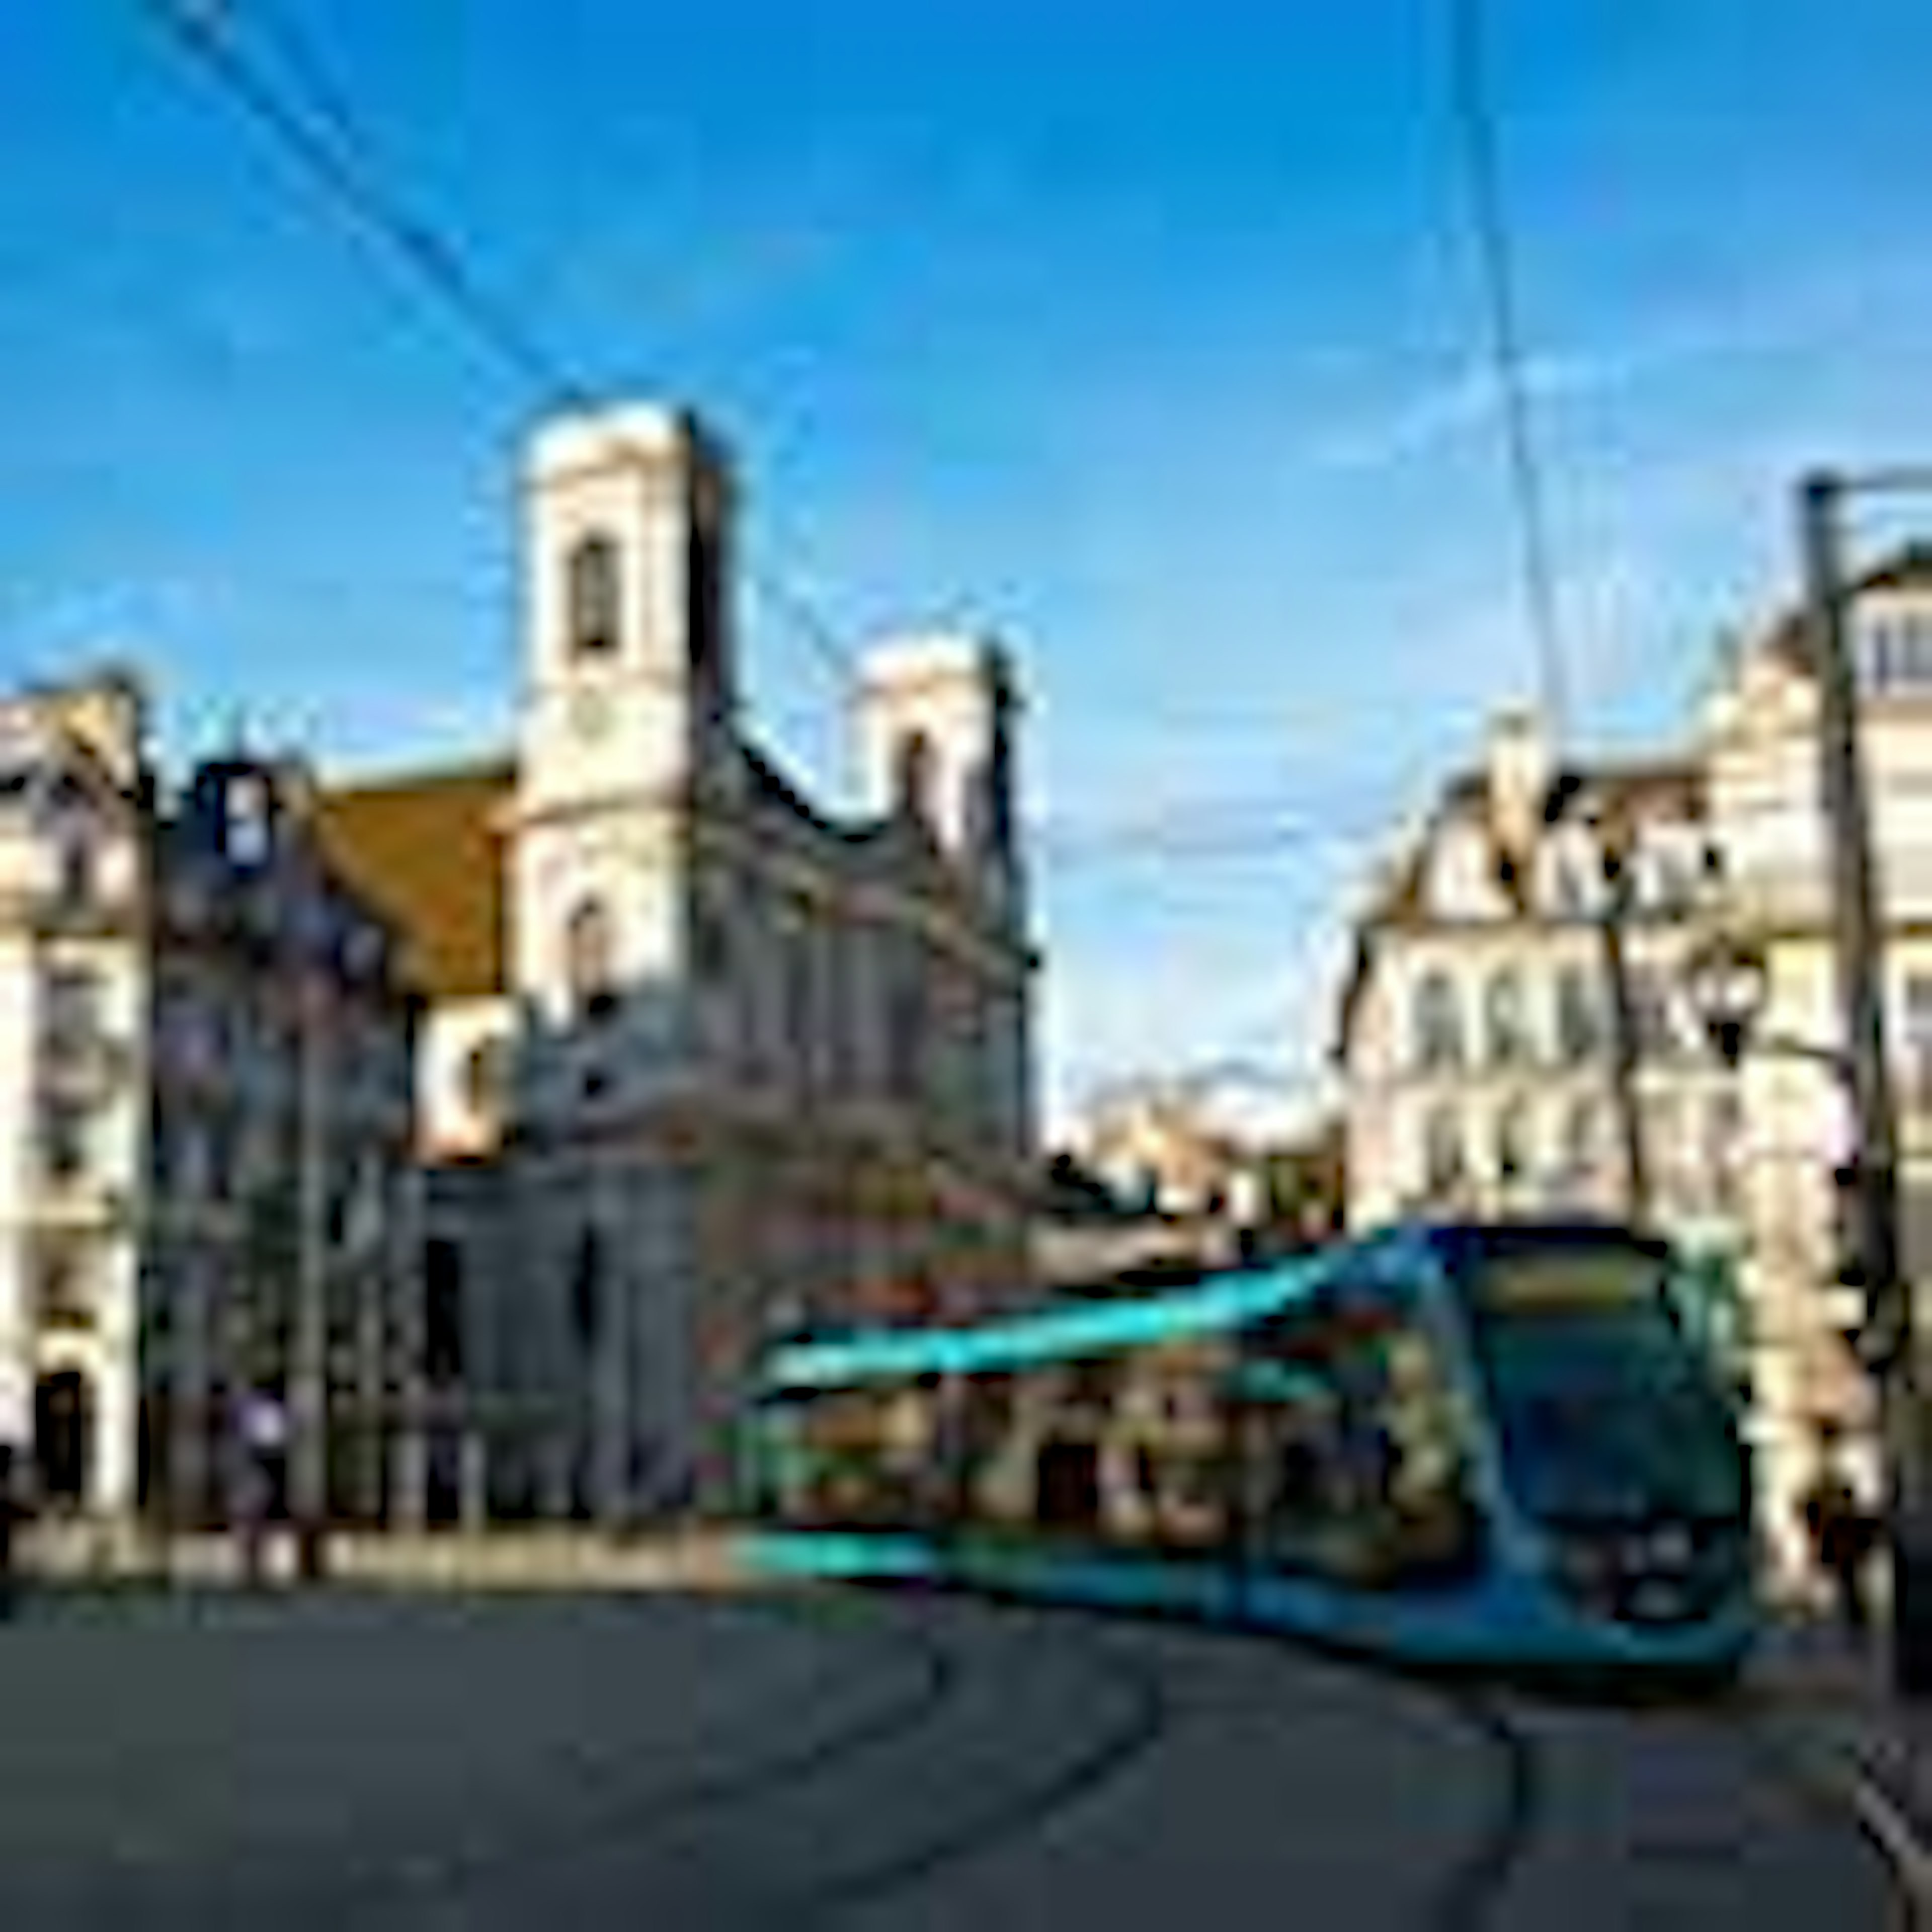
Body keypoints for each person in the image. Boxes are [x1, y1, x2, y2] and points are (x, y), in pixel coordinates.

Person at [1801, 1433, 1879, 1641]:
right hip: (1839, 1545)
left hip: (1840, 1546)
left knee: (1846, 1586)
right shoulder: (1830, 1487)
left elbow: (1809, 1511)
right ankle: (1851, 1624)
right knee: (1846, 1586)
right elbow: (1810, 1511)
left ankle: (1850, 1624)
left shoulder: (1830, 1487)